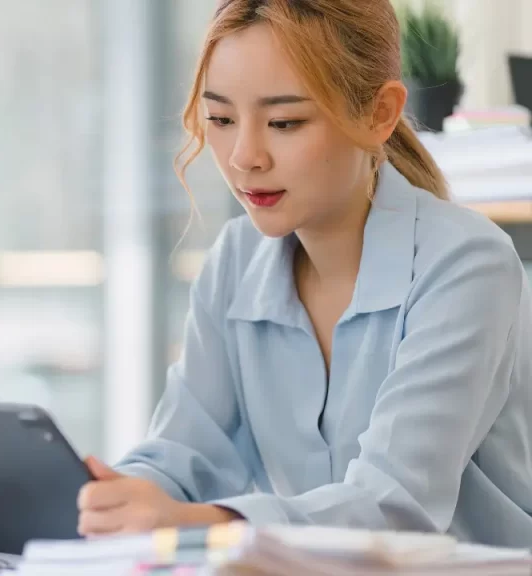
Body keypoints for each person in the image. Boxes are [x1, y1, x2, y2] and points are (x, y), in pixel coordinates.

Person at [77, 0, 532, 547]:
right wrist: (110, 498)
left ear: (380, 113)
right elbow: (182, 455)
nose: (244, 156)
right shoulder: (236, 259)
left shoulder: (465, 263)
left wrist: (201, 524)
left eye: (284, 122)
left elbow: (394, 502)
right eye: (219, 119)